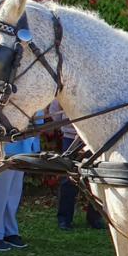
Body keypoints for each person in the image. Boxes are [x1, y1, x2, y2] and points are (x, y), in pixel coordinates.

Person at [49, 99, 105, 231]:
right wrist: (67, 127)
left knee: (96, 178)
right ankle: (64, 219)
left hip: (95, 139)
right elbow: (55, 110)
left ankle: (95, 218)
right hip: (70, 138)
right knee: (69, 180)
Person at [0, 132, 40, 252]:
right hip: (3, 149)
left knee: (13, 194)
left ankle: (9, 231)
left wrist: (34, 146)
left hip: (23, 148)